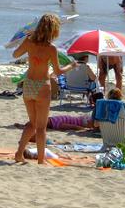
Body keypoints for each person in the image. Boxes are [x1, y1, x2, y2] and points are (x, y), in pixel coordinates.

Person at [12, 14, 77, 164]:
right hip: (42, 86)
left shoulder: (29, 42)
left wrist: (25, 40)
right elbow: (58, 71)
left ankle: (19, 153)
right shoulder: (51, 48)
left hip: (28, 85)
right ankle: (41, 160)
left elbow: (15, 54)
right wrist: (72, 65)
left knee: (32, 123)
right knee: (40, 127)